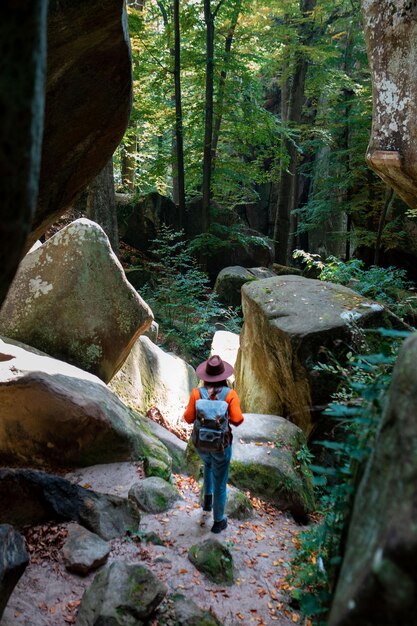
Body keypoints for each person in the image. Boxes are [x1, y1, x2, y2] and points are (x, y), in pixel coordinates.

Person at [183, 354, 244, 533]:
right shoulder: (230, 394)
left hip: (201, 444)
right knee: (220, 481)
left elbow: (187, 418)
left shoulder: (197, 393)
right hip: (221, 446)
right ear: (223, 376)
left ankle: (207, 502)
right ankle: (218, 521)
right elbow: (238, 420)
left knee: (208, 465)